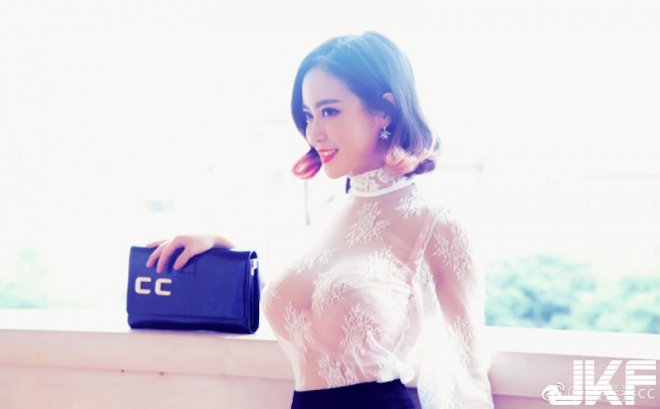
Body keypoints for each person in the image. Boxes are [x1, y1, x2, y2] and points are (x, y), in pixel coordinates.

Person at [145, 31, 495, 409]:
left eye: (329, 111)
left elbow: (467, 372)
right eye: (309, 115)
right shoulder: (332, 211)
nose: (314, 133)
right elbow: (302, 300)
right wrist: (220, 245)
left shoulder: (438, 225)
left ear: (384, 111)